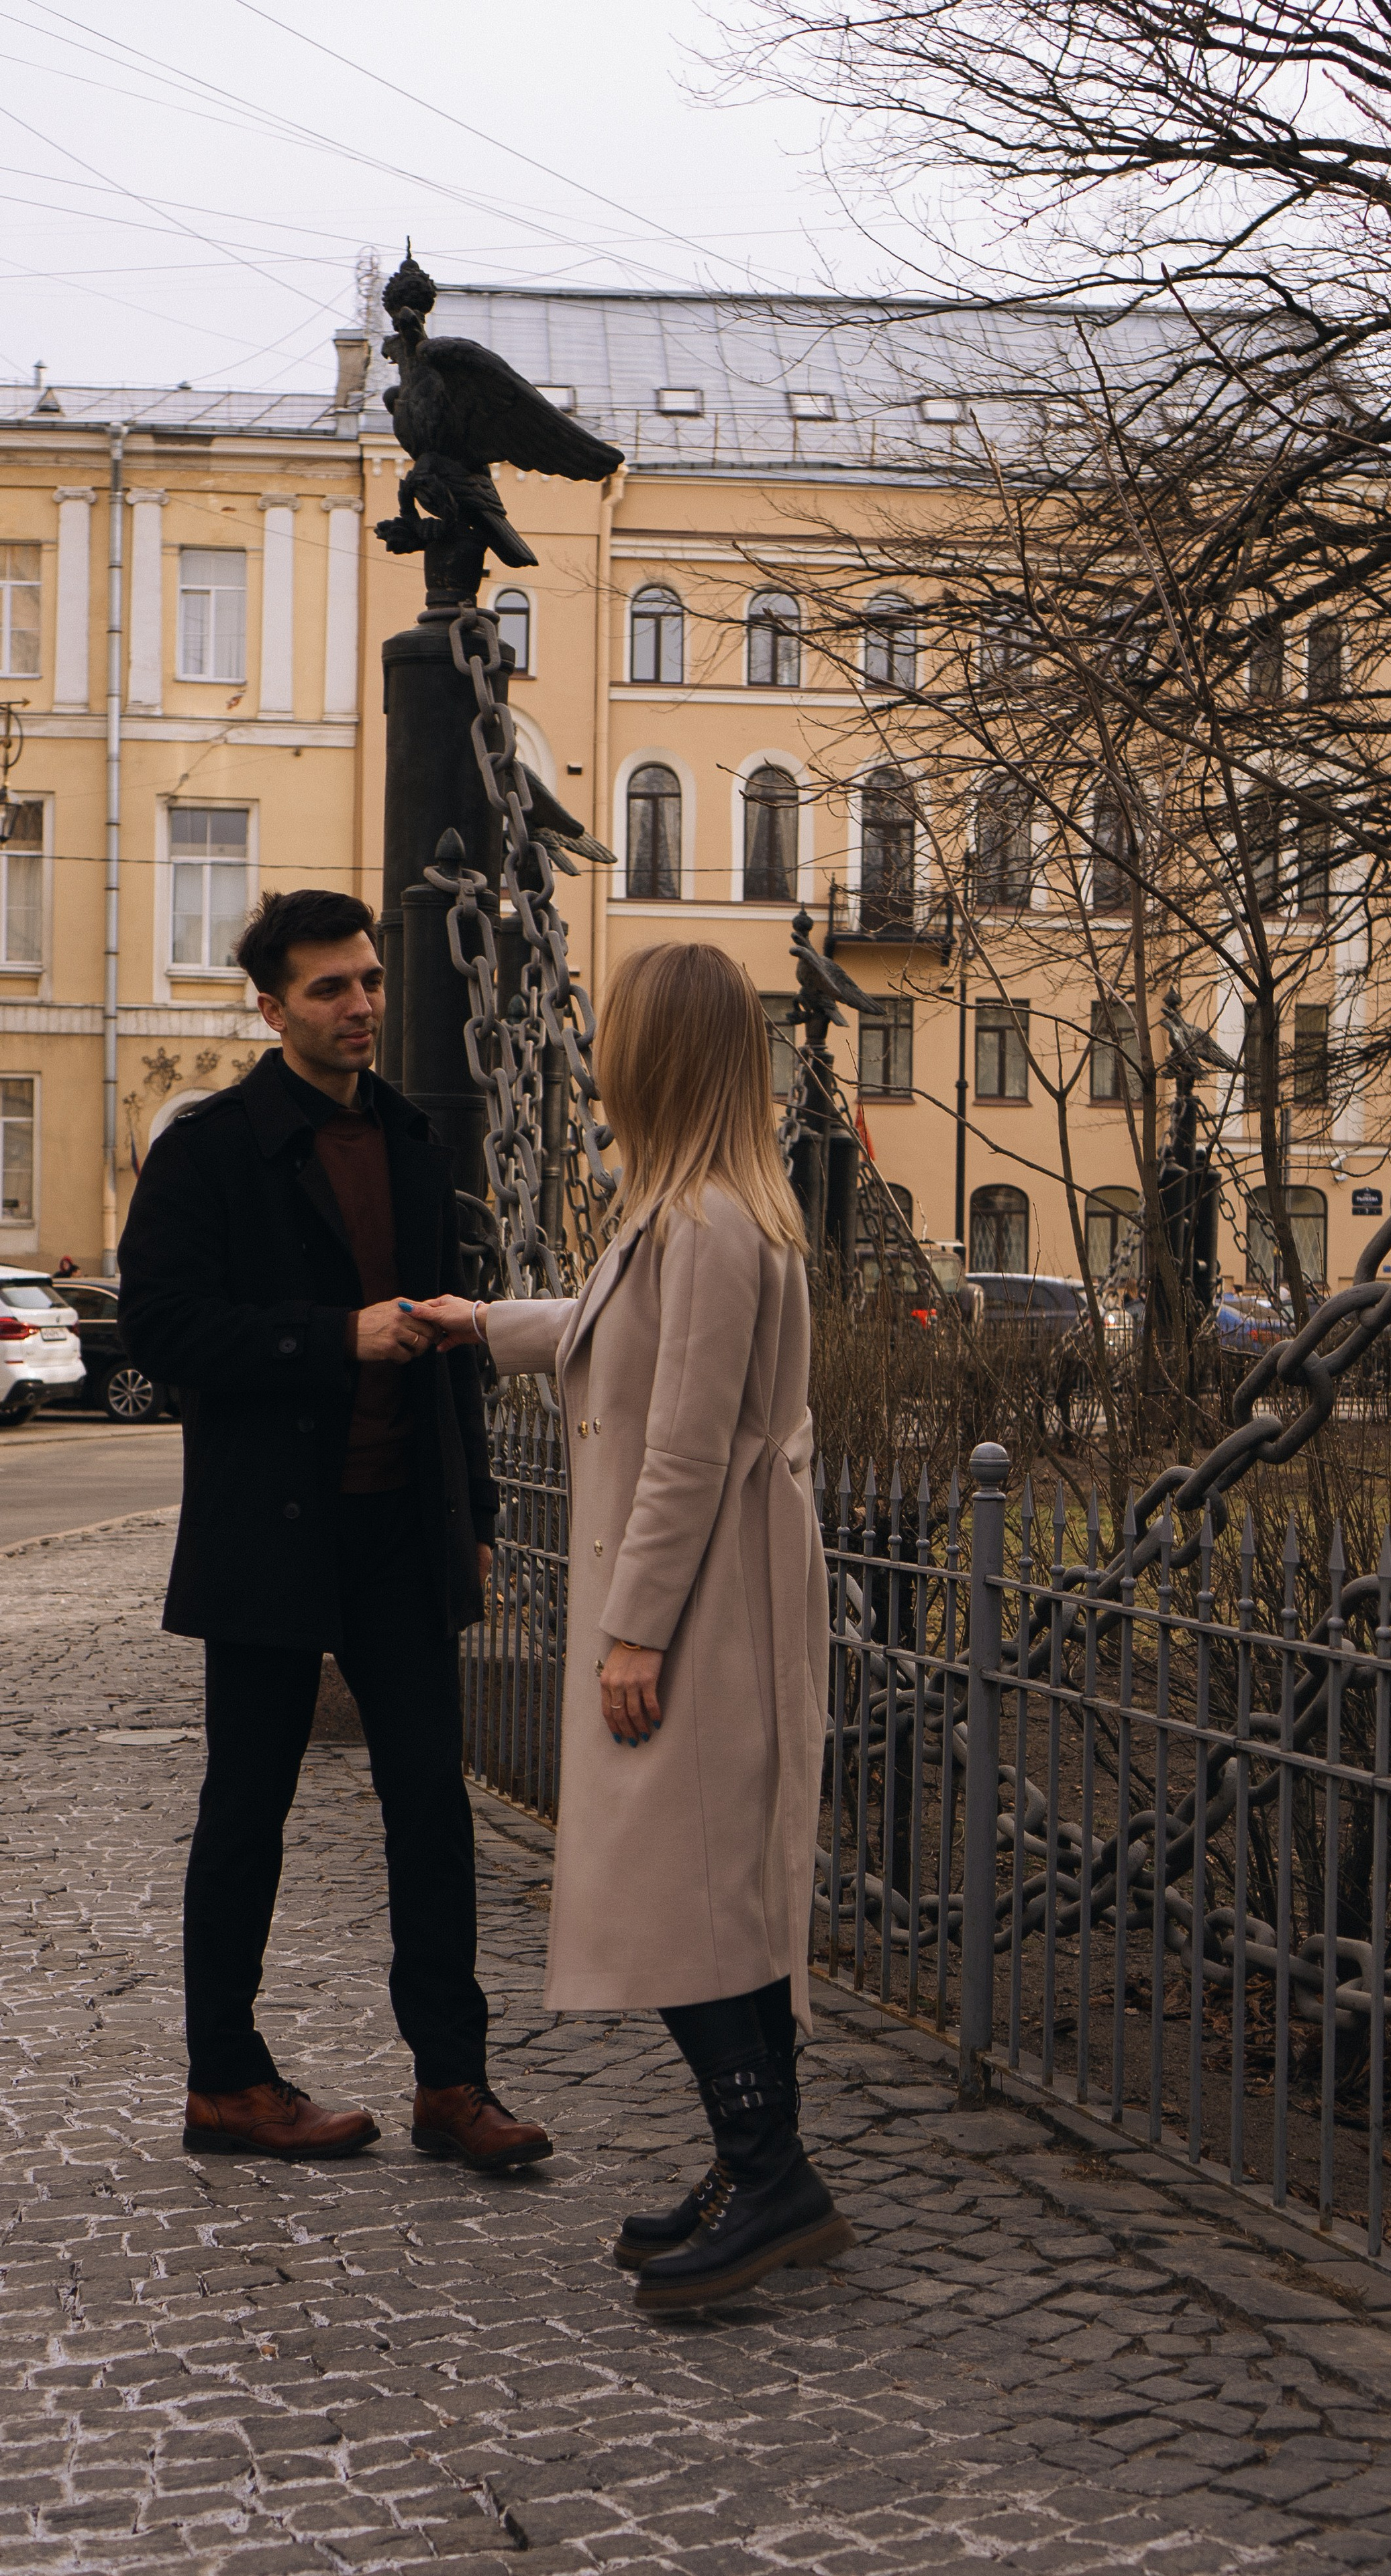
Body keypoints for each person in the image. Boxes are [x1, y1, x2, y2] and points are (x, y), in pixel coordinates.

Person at [407, 942, 851, 2313]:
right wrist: (486, 1323)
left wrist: (634, 1632)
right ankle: (765, 2168)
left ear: (657, 1055)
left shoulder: (707, 1221)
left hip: (703, 1605)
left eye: (617, 1038)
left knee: (683, 1900)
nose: (598, 1060)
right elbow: (623, 1334)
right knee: (715, 1895)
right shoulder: (701, 1211)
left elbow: (688, 1445)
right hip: (718, 1589)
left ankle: (766, 2174)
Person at [117, 888, 551, 2174]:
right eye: (330, 988)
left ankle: (452, 2083)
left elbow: (453, 1350)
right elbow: (163, 1331)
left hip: (400, 1528)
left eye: (369, 980)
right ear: (271, 1007)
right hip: (268, 1527)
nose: (361, 1005)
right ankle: (226, 2083)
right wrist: (332, 1339)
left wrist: (474, 1514)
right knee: (246, 1807)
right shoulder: (211, 1150)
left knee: (431, 1806)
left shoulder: (414, 1141)